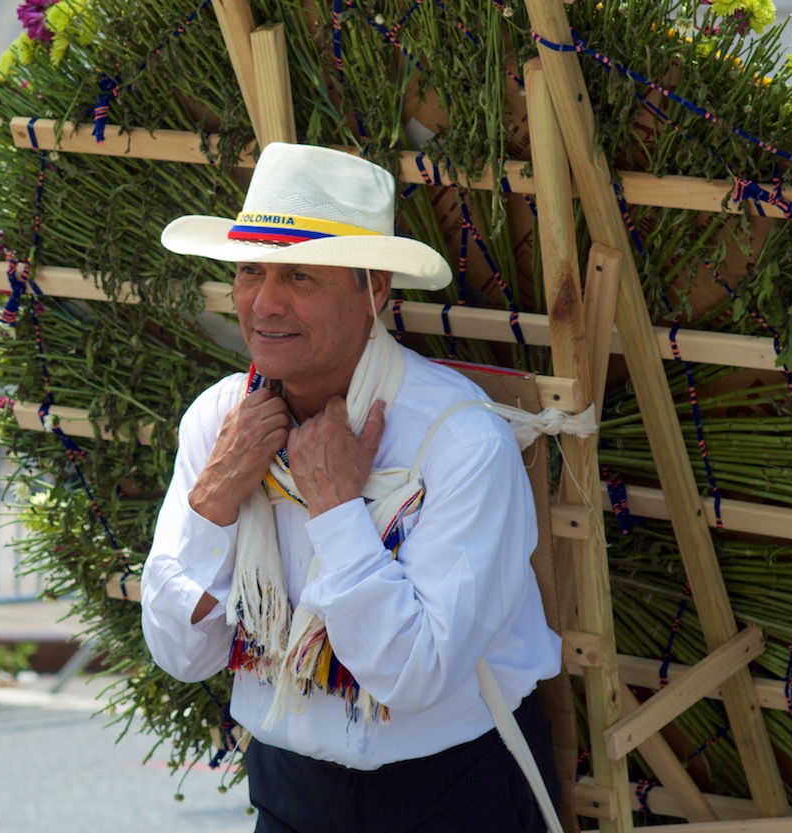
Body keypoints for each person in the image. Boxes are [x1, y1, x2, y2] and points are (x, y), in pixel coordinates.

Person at [140, 143, 563, 832]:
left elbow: (413, 673)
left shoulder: (458, 441)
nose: (265, 302)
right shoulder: (221, 421)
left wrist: (336, 509)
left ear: (375, 292)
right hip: (288, 793)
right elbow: (183, 654)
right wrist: (215, 498)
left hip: (455, 794)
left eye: (301, 275)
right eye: (250, 270)